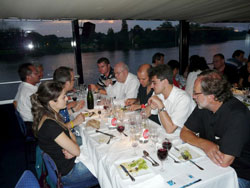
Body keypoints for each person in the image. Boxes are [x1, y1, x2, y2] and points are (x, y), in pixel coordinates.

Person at [180, 70, 250, 188]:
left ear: (212, 96)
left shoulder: (237, 116)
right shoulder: (203, 106)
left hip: (238, 174)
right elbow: (184, 133)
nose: (193, 96)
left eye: (196, 93)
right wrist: (205, 144)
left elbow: (224, 161)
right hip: (209, 163)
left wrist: (199, 143)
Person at [30, 81, 98, 187]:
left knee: (95, 147)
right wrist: (74, 149)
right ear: (52, 102)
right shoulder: (50, 124)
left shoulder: (49, 115)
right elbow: (76, 150)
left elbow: (71, 134)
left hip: (64, 164)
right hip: (69, 173)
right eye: (63, 97)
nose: (67, 98)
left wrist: (73, 147)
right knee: (106, 165)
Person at [145, 64, 196, 135]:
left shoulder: (183, 99)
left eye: (154, 83)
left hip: (183, 138)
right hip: (166, 134)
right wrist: (150, 107)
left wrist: (160, 104)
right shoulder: (158, 93)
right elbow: (144, 114)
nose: (151, 86)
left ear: (165, 82)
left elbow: (170, 129)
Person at [14, 63, 40, 135]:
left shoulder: (23, 85)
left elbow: (14, 103)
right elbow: (43, 112)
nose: (39, 74)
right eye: (36, 73)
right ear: (28, 77)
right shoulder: (30, 93)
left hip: (28, 122)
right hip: (33, 126)